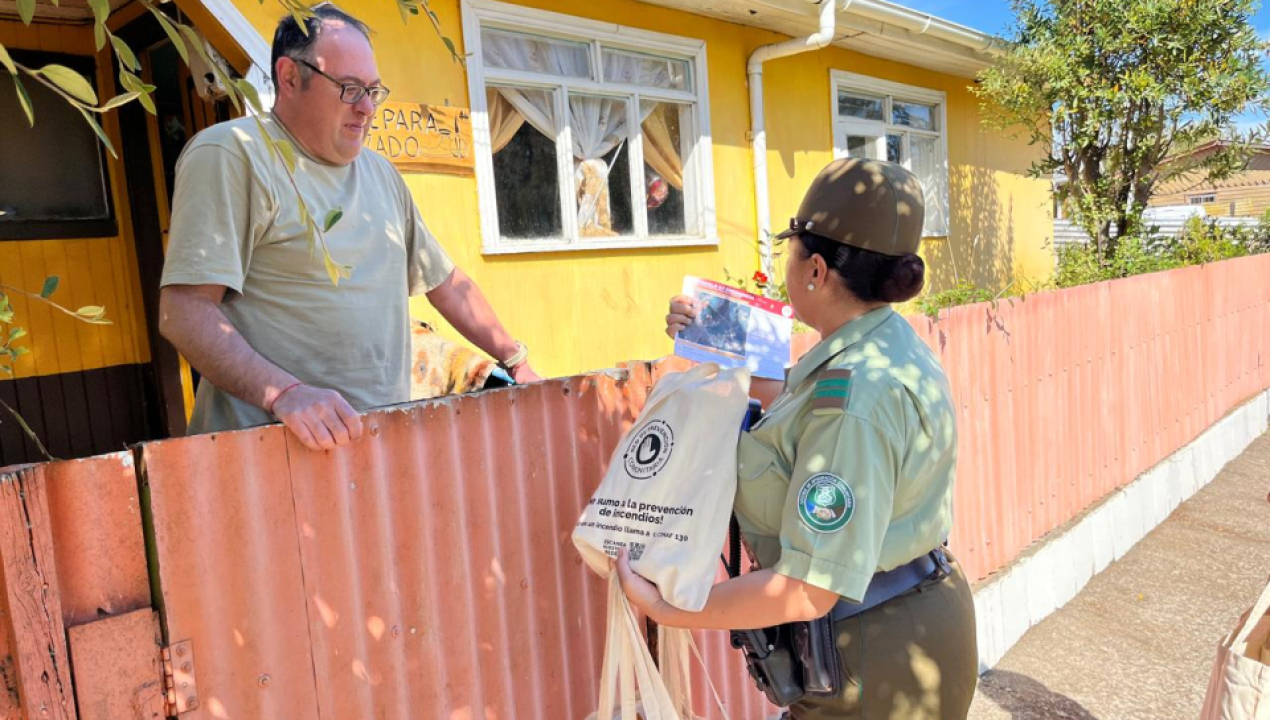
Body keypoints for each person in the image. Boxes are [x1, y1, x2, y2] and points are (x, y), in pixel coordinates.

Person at [618, 158, 977, 719]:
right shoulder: (875, 345)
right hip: (900, 623)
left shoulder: (854, 399)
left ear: (814, 270)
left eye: (788, 253)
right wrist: (707, 334)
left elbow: (807, 589)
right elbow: (789, 402)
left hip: (870, 663)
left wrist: (670, 607)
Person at [158, 4, 538, 452]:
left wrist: (515, 359)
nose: (366, 108)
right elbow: (183, 313)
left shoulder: (380, 174)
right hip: (268, 457)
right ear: (289, 77)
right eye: (349, 88)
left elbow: (447, 284)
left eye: (374, 91)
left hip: (376, 447)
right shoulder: (233, 154)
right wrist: (285, 394)